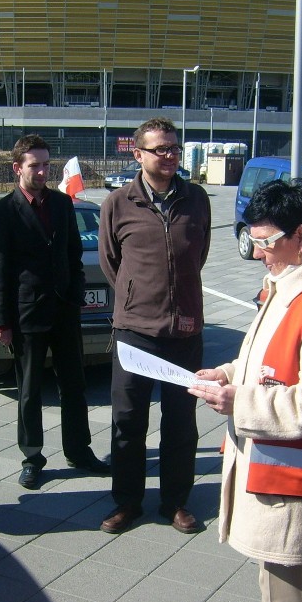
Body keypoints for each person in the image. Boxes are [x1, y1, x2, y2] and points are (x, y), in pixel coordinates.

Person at [189, 179, 302, 602]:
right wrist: (228, 372)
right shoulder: (289, 281)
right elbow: (263, 358)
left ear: (301, 237)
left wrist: (238, 401)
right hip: (275, 480)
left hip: (293, 490)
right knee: (277, 600)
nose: (259, 253)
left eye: (266, 243)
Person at [98, 117, 212, 534]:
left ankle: (175, 502)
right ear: (138, 154)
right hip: (134, 331)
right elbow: (112, 263)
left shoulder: (197, 198)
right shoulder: (118, 203)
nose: (170, 156)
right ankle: (127, 502)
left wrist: (177, 300)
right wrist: (137, 298)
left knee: (181, 422)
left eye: (174, 148)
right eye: (160, 149)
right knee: (128, 423)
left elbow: (196, 257)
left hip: (185, 331)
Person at [0, 134, 109, 490]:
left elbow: (73, 256)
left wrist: (77, 292)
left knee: (75, 385)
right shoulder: (1, 213)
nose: (41, 171)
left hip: (65, 311)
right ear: (17, 168)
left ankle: (79, 450)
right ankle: (32, 457)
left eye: (45, 164)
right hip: (26, 316)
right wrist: (1, 322)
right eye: (34, 165)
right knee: (30, 391)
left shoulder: (62, 204)